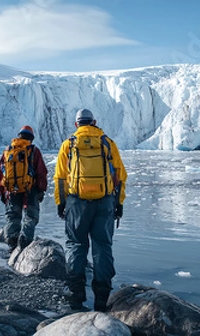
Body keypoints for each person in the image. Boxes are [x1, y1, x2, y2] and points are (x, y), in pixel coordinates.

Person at [53, 108, 127, 312]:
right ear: (93, 122)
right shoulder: (107, 143)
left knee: (76, 244)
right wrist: (118, 203)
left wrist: (61, 203)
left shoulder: (69, 144)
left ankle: (76, 294)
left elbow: (60, 178)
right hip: (104, 202)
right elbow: (120, 176)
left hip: (76, 202)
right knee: (102, 246)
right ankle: (102, 297)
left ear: (77, 124)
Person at [0, 125, 48, 253]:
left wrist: (2, 191)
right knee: (31, 217)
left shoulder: (8, 150)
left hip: (12, 190)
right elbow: (41, 171)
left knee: (12, 216)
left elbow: (0, 172)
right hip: (30, 189)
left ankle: (12, 243)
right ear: (31, 138)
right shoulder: (33, 151)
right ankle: (25, 242)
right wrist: (41, 189)